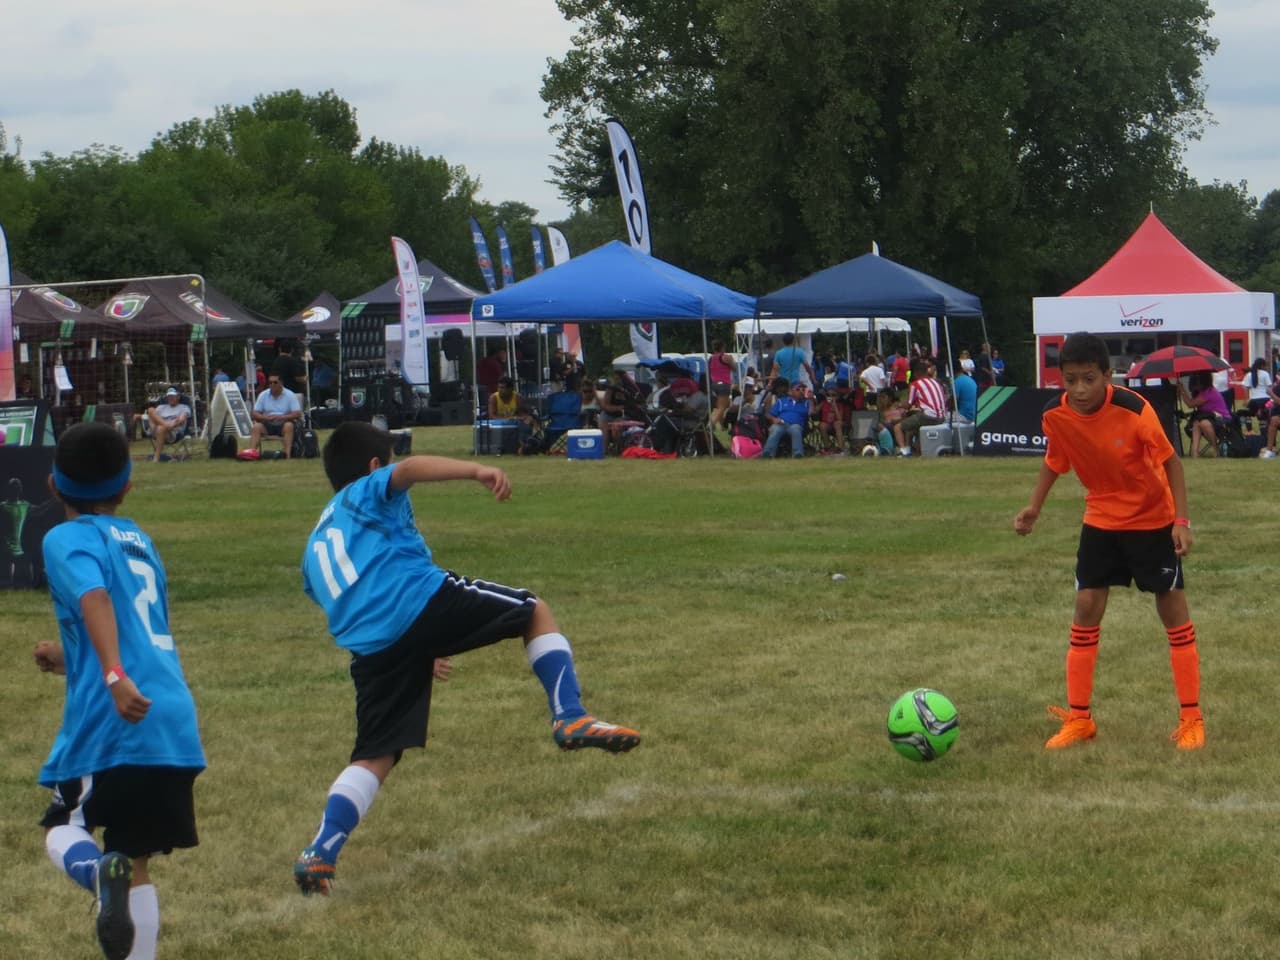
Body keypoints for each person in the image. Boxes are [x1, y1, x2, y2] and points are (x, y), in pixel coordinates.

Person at [292, 422, 640, 896]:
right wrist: (477, 468)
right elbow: (411, 470)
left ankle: (320, 852)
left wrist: (413, 648)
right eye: (389, 460)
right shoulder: (366, 491)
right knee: (533, 611)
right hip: (417, 600)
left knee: (375, 753)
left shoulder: (316, 543)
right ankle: (571, 717)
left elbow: (339, 601)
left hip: (373, 646)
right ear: (374, 467)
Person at [33, 421, 205, 959]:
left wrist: (110, 674)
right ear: (127, 486)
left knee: (64, 826)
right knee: (135, 858)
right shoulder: (138, 540)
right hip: (170, 719)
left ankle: (93, 874)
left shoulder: (64, 537)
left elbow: (95, 599)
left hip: (118, 720)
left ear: (52, 486)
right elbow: (129, 623)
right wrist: (70, 657)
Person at [1013, 332, 1203, 751]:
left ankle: (1191, 717)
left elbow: (1171, 462)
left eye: (1089, 379)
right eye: (1071, 380)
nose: (1079, 389)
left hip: (1152, 519)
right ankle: (1080, 718)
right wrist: (1034, 508)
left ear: (1107, 376)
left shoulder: (1136, 410)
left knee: (1171, 608)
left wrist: (1181, 520)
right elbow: (1054, 461)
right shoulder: (1056, 415)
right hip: (1100, 518)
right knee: (1085, 607)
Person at [892, 359, 947, 456]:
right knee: (912, 427)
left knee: (898, 427)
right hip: (942, 417)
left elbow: (909, 404)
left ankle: (904, 451)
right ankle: (913, 450)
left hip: (928, 417)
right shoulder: (936, 382)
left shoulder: (915, 384)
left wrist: (898, 405)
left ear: (916, 373)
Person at [246, 373, 303, 459]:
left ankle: (287, 455)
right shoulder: (263, 395)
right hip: (267, 422)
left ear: (281, 383)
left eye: (275, 382)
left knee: (289, 425)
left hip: (284, 423)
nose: (272, 385)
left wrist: (281, 417)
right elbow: (255, 413)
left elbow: (297, 413)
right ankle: (251, 454)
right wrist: (265, 418)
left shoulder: (290, 395)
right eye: (270, 383)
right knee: (256, 427)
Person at [1177, 372, 1231, 458]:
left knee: (1204, 423)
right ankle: (1195, 453)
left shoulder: (1209, 392)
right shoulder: (1202, 392)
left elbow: (1190, 404)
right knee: (1196, 423)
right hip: (1209, 417)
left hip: (1222, 419)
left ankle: (1216, 450)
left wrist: (1182, 389)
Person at [761, 379, 812, 458]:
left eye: (803, 389)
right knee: (775, 430)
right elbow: (768, 414)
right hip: (781, 424)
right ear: (790, 392)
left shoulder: (806, 403)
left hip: (796, 425)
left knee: (795, 429)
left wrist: (810, 399)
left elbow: (811, 413)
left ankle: (797, 454)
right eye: (798, 389)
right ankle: (768, 453)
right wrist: (774, 419)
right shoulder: (781, 401)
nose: (801, 391)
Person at [145, 388, 191, 463]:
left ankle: (156, 458)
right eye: (169, 396)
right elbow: (152, 417)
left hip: (173, 433)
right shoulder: (161, 407)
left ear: (178, 396)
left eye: (173, 396)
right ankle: (165, 425)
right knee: (150, 409)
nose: (170, 398)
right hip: (157, 429)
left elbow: (181, 420)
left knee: (161, 428)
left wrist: (170, 426)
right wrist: (165, 425)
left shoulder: (184, 407)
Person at [708, 339, 735, 431]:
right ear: (722, 347)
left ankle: (722, 425)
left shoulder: (711, 358)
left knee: (723, 405)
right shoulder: (726, 357)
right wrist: (732, 360)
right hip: (724, 384)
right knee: (722, 407)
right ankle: (712, 424)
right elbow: (734, 368)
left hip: (714, 383)